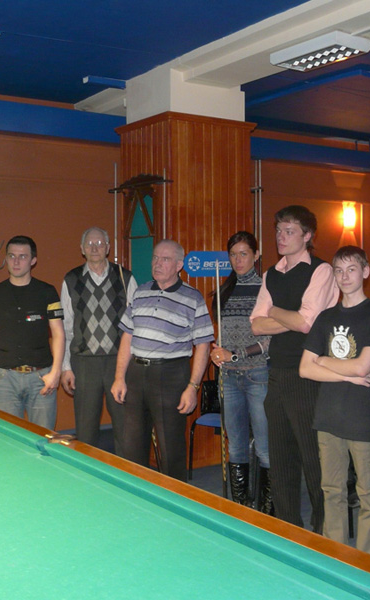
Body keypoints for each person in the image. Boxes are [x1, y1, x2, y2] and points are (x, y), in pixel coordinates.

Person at [250, 205, 339, 533]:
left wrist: (274, 310)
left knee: (314, 462)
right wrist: (288, 316)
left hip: (310, 376)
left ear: (307, 236)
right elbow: (256, 326)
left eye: (289, 231)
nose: (281, 237)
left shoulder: (321, 270)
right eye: (278, 231)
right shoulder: (270, 274)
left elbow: (306, 323)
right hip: (277, 374)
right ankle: (289, 531)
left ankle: (324, 534)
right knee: (281, 461)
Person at [299, 246, 370, 556]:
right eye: (339, 271)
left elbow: (363, 367)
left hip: (362, 418)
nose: (344, 276)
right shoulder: (325, 318)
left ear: (365, 272)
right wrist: (347, 376)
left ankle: (367, 562)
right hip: (328, 417)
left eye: (351, 269)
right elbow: (304, 369)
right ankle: (336, 558)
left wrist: (325, 360)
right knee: (332, 491)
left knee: (369, 494)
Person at [111, 240, 214, 481]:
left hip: (170, 375)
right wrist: (119, 378)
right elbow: (127, 337)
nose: (157, 263)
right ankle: (136, 496)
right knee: (132, 446)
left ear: (179, 265)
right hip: (136, 374)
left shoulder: (193, 298)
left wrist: (193, 387)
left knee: (171, 449)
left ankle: (174, 497)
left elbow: (203, 345)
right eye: (155, 258)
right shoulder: (140, 292)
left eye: (165, 259)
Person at [59, 227, 137, 454]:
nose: (95, 248)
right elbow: (65, 327)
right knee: (85, 428)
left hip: (118, 362)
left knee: (124, 424)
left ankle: (125, 470)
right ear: (82, 249)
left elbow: (136, 324)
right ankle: (87, 469)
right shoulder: (71, 279)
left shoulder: (125, 278)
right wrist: (65, 367)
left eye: (100, 243)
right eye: (90, 244)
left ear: (108, 248)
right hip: (84, 363)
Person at [210, 232, 272, 512]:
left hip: (258, 375)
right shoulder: (224, 290)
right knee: (235, 446)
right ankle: (242, 509)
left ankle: (267, 512)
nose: (238, 260)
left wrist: (236, 354)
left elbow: (270, 341)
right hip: (229, 377)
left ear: (256, 255)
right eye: (233, 255)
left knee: (264, 447)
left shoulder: (266, 290)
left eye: (244, 253)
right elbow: (222, 336)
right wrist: (217, 351)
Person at [0, 235, 65, 430]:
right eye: (12, 256)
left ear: (33, 260)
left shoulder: (47, 292)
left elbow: (58, 334)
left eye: (22, 256)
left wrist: (56, 372)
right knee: (8, 437)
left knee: (43, 437)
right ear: (6, 259)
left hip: (41, 378)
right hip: (6, 379)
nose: (16, 261)